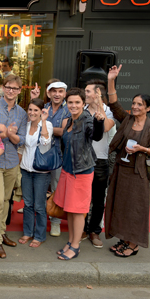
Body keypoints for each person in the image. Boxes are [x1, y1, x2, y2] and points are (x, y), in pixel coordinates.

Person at [105, 65, 150, 257]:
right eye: (134, 103)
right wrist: (111, 79)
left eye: (140, 104)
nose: (135, 106)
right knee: (120, 207)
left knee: (135, 210)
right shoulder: (128, 120)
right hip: (121, 170)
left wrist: (142, 149)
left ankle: (134, 245)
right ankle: (124, 239)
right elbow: (114, 105)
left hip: (138, 174)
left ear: (148, 108)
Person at [54, 88, 105, 260]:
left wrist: (99, 121)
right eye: (70, 102)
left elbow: (96, 136)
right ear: (66, 103)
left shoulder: (87, 120)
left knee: (77, 211)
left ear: (83, 104)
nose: (74, 105)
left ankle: (75, 247)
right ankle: (70, 241)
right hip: (68, 170)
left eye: (77, 102)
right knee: (69, 209)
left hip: (81, 172)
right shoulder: (69, 121)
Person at [0, 75, 27, 259]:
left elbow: (21, 140)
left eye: (15, 88)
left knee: (7, 201)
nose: (11, 91)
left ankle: (0, 233)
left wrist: (5, 132)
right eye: (8, 87)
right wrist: (9, 134)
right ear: (3, 88)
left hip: (11, 162)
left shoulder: (22, 114)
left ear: (19, 90)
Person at [32, 79, 71, 237]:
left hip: (58, 155)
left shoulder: (68, 109)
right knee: (39, 188)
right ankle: (40, 219)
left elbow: (64, 131)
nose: (57, 94)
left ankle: (55, 221)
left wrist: (44, 126)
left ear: (64, 94)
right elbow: (32, 123)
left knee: (56, 189)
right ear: (48, 93)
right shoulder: (44, 107)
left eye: (60, 91)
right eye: (54, 91)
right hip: (40, 153)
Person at [83, 80, 116, 248]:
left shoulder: (108, 111)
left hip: (100, 161)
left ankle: (94, 231)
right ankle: (82, 229)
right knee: (82, 198)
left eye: (88, 92)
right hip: (82, 160)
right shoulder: (81, 110)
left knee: (97, 199)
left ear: (97, 94)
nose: (85, 94)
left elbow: (105, 128)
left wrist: (100, 106)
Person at [18, 98, 52, 248]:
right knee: (28, 204)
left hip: (41, 172)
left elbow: (45, 142)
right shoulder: (24, 126)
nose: (32, 113)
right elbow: (21, 146)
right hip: (25, 169)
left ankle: (39, 235)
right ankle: (27, 232)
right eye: (30, 109)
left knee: (39, 205)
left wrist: (43, 121)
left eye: (36, 110)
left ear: (41, 112)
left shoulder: (47, 125)